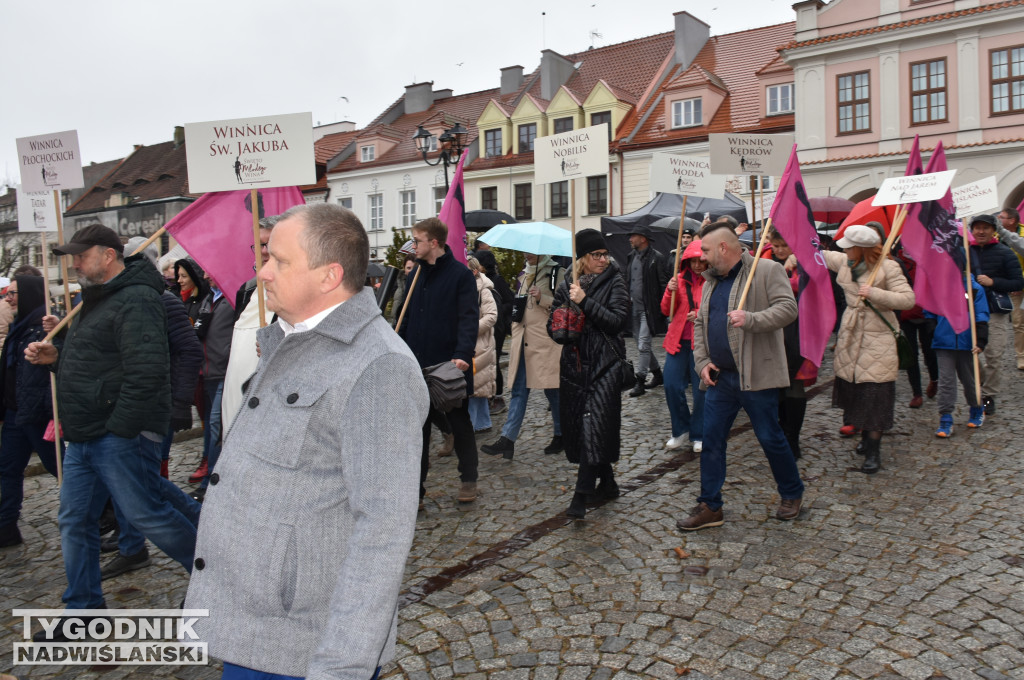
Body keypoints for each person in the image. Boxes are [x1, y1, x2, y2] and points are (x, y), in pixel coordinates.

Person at [184, 203, 429, 680]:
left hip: (302, 648)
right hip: (253, 628)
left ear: (328, 275)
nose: (263, 272)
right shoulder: (291, 340)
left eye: (279, 260)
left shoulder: (378, 367)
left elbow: (382, 531)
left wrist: (342, 666)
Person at [25, 224, 200, 636]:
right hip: (86, 434)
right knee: (74, 520)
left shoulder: (138, 297)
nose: (74, 264)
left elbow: (146, 371)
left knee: (148, 515)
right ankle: (83, 612)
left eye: (80, 256)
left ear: (107, 255)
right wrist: (57, 358)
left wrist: (120, 431)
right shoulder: (98, 298)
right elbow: (99, 363)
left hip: (116, 433)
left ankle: (223, 581)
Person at [677, 221, 804, 531]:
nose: (702, 257)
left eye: (705, 250)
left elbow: (788, 309)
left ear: (723, 247)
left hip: (755, 374)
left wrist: (752, 318)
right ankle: (711, 504)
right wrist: (702, 361)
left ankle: (792, 492)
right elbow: (700, 324)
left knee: (770, 437)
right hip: (721, 378)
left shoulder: (766, 270)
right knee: (712, 441)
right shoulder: (709, 281)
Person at [397, 217, 480, 503]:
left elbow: (469, 319)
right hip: (417, 364)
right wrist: (399, 350)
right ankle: (416, 492)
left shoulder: (460, 275)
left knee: (459, 422)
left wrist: (462, 355)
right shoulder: (415, 275)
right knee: (418, 430)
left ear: (434, 242)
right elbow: (406, 319)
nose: (413, 245)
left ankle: (468, 478)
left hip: (449, 365)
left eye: (417, 240)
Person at [548, 230, 629, 519]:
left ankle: (580, 496)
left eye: (605, 254)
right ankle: (607, 482)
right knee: (586, 430)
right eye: (597, 255)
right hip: (575, 367)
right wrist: (562, 321)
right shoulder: (566, 284)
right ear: (583, 257)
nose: (603, 260)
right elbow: (553, 329)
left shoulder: (616, 281)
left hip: (605, 366)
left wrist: (585, 302)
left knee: (594, 426)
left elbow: (618, 322)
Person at [824, 225, 915, 474]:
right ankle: (864, 437)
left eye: (849, 246)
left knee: (875, 394)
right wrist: (792, 253)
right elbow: (820, 255)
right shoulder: (845, 261)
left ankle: (874, 451)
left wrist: (876, 293)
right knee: (855, 392)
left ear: (860, 248)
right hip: (851, 336)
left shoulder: (888, 267)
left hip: (878, 338)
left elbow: (908, 299)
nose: (844, 250)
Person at [481, 253, 564, 460]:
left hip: (544, 343)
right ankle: (507, 440)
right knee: (519, 390)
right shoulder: (524, 274)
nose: (528, 255)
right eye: (525, 251)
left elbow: (563, 306)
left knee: (552, 392)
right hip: (523, 342)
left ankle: (561, 434)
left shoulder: (555, 272)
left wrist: (541, 298)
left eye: (532, 252)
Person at [0, 275, 60, 547]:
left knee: (59, 467)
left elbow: (40, 378)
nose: (8, 298)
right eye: (7, 294)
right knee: (8, 469)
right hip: (16, 413)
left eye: (13, 293)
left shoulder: (43, 327)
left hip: (37, 415)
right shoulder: (19, 326)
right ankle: (6, 527)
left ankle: (104, 514)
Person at [970, 213, 1024, 414]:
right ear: (972, 230)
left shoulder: (1005, 252)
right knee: (969, 354)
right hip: (969, 312)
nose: (981, 231)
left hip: (994, 311)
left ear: (993, 230)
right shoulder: (965, 253)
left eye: (985, 228)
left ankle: (988, 395)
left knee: (993, 355)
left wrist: (994, 283)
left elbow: (1018, 282)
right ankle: (982, 381)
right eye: (977, 228)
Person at [766, 230, 810, 460]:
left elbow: (805, 288)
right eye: (776, 245)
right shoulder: (766, 263)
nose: (780, 250)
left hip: (797, 331)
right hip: (773, 330)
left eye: (784, 245)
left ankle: (792, 437)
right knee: (775, 388)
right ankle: (781, 433)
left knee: (794, 385)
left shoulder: (803, 263)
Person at [660, 238, 705, 453]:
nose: (697, 265)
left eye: (700, 261)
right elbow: (665, 309)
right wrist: (670, 291)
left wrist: (699, 315)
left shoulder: (713, 281)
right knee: (671, 385)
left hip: (702, 345)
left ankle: (699, 433)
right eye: (692, 261)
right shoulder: (678, 280)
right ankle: (680, 429)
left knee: (700, 392)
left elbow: (718, 308)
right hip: (677, 341)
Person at [931, 272, 988, 437]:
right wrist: (933, 331)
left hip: (966, 342)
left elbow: (981, 315)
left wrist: (981, 340)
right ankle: (946, 418)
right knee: (946, 382)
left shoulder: (975, 289)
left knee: (970, 380)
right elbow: (930, 313)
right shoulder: (939, 287)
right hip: (944, 342)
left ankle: (977, 408)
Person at [622, 225, 671, 396]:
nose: (630, 239)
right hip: (633, 308)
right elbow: (628, 281)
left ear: (643, 238)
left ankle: (640, 381)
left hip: (649, 310)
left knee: (643, 345)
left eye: (633, 236)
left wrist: (663, 308)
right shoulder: (631, 257)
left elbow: (664, 284)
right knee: (641, 345)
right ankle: (658, 375)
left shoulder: (657, 258)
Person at [472, 248, 513, 413]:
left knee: (493, 361)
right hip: (486, 327)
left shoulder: (496, 280)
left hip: (497, 328)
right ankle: (486, 397)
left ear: (483, 265)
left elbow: (510, 301)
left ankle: (498, 397)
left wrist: (496, 310)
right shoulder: (477, 280)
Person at [466, 256, 498, 433]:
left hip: (480, 342)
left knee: (477, 384)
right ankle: (482, 422)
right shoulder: (465, 288)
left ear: (474, 271)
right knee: (477, 384)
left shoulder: (483, 290)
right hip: (470, 342)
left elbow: (492, 316)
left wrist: (470, 329)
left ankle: (473, 424)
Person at [997, 207, 1024, 370]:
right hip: (1012, 287)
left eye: (1002, 217)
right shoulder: (997, 237)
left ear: (1012, 220)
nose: (999, 219)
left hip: (1020, 284)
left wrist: (1020, 283)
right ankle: (1021, 356)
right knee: (1018, 323)